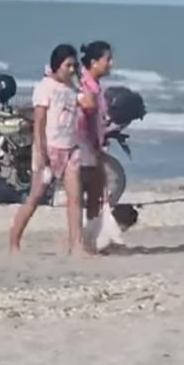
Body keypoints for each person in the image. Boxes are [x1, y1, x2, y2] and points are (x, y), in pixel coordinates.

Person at [8, 45, 87, 255]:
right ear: (56, 65)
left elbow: (87, 104)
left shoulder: (72, 89)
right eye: (67, 65)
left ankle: (76, 245)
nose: (71, 69)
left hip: (70, 149)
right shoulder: (45, 87)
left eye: (74, 65)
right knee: (35, 197)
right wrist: (41, 151)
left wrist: (78, 81)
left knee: (75, 198)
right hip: (49, 149)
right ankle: (14, 242)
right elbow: (39, 121)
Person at [76, 40, 113, 226]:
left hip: (92, 146)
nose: (111, 63)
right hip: (82, 147)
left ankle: (91, 236)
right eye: (108, 59)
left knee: (96, 193)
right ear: (94, 62)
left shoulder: (94, 84)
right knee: (84, 194)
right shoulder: (83, 83)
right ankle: (79, 240)